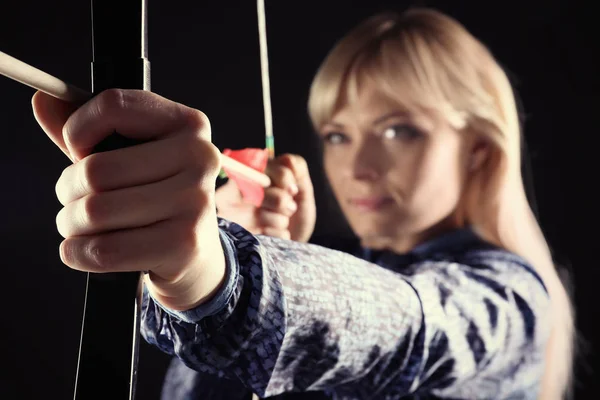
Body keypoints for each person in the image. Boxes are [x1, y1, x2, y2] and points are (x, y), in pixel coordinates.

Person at [32, 7, 574, 400]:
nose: (358, 166)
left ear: (478, 150)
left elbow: (412, 322)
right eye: (338, 135)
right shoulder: (357, 262)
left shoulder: (512, 299)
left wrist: (216, 272)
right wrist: (243, 242)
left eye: (398, 131)